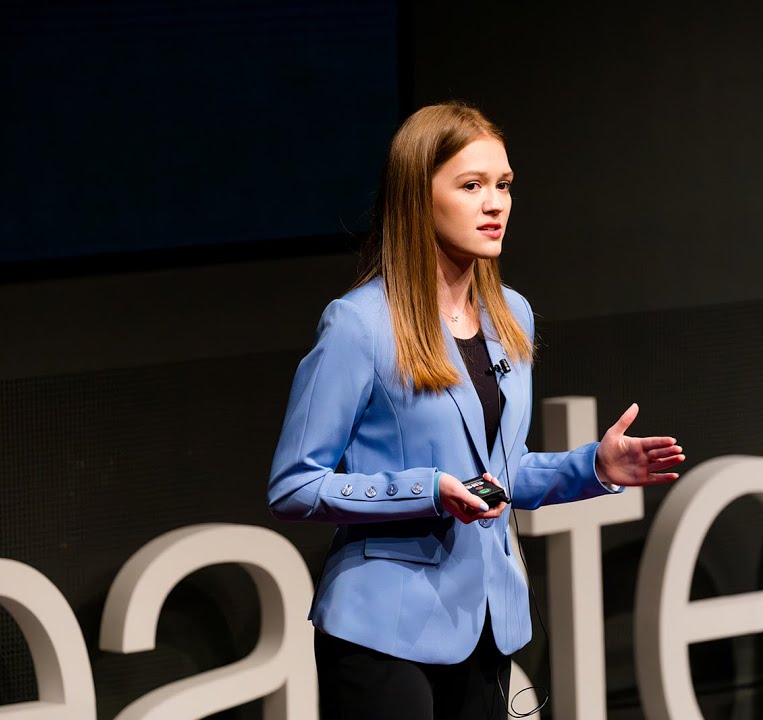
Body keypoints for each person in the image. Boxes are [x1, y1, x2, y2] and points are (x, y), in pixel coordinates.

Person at [267, 100, 685, 720]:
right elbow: (294, 487)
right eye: (471, 186)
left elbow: (499, 474)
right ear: (417, 196)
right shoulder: (359, 325)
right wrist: (427, 490)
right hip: (381, 632)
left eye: (503, 185)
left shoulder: (512, 315)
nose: (496, 204)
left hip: (483, 622)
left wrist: (594, 468)